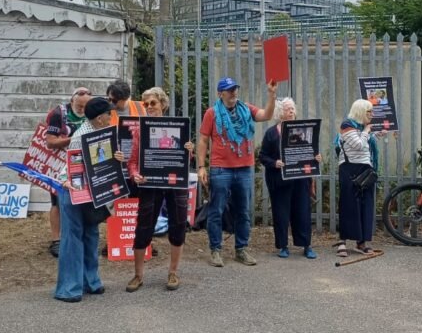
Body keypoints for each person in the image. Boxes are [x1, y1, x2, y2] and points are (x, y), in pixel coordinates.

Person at [196, 77, 277, 267]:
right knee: (216, 210)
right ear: (220, 93)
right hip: (220, 169)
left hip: (243, 169)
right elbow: (203, 140)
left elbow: (266, 115)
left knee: (243, 212)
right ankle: (216, 250)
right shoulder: (212, 113)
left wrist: (271, 95)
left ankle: (241, 249)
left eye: (235, 89)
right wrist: (201, 167)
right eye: (229, 90)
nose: (233, 93)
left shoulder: (246, 109)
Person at [55, 97, 125, 302]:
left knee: (91, 234)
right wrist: (66, 182)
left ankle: (91, 281)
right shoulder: (80, 137)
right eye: (109, 114)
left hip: (91, 192)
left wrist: (116, 158)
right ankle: (69, 288)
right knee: (73, 238)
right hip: (73, 190)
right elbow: (70, 167)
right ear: (100, 118)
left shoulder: (100, 133)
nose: (112, 116)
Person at [124, 86, 194, 292]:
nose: (149, 107)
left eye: (153, 103)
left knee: (178, 224)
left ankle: (173, 272)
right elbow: (132, 161)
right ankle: (138, 275)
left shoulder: (178, 127)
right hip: (150, 183)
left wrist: (188, 150)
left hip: (174, 183)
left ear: (163, 104)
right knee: (143, 226)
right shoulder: (139, 129)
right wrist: (134, 174)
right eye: (145, 104)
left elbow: (183, 159)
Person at [259, 97, 321, 259]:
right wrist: (275, 163)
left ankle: (306, 245)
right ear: (280, 113)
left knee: (303, 212)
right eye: (288, 109)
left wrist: (316, 158)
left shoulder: (303, 129)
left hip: (300, 179)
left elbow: (310, 151)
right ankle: (283, 246)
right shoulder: (271, 133)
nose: (292, 111)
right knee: (281, 213)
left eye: (293, 108)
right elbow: (263, 156)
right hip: (279, 180)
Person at [42, 87, 91, 258]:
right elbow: (50, 142)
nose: (83, 111)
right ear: (72, 102)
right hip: (61, 163)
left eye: (86, 107)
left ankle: (78, 236)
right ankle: (56, 240)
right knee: (57, 201)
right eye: (79, 107)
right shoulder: (59, 114)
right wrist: (75, 138)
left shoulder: (92, 113)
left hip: (83, 162)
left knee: (81, 199)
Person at [334, 99, 381, 257]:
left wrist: (374, 133)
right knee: (348, 205)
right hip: (349, 169)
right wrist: (367, 131)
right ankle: (342, 241)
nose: (372, 115)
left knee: (365, 205)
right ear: (360, 111)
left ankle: (362, 242)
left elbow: (368, 145)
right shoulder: (347, 125)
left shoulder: (362, 128)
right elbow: (359, 145)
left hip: (365, 168)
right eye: (369, 112)